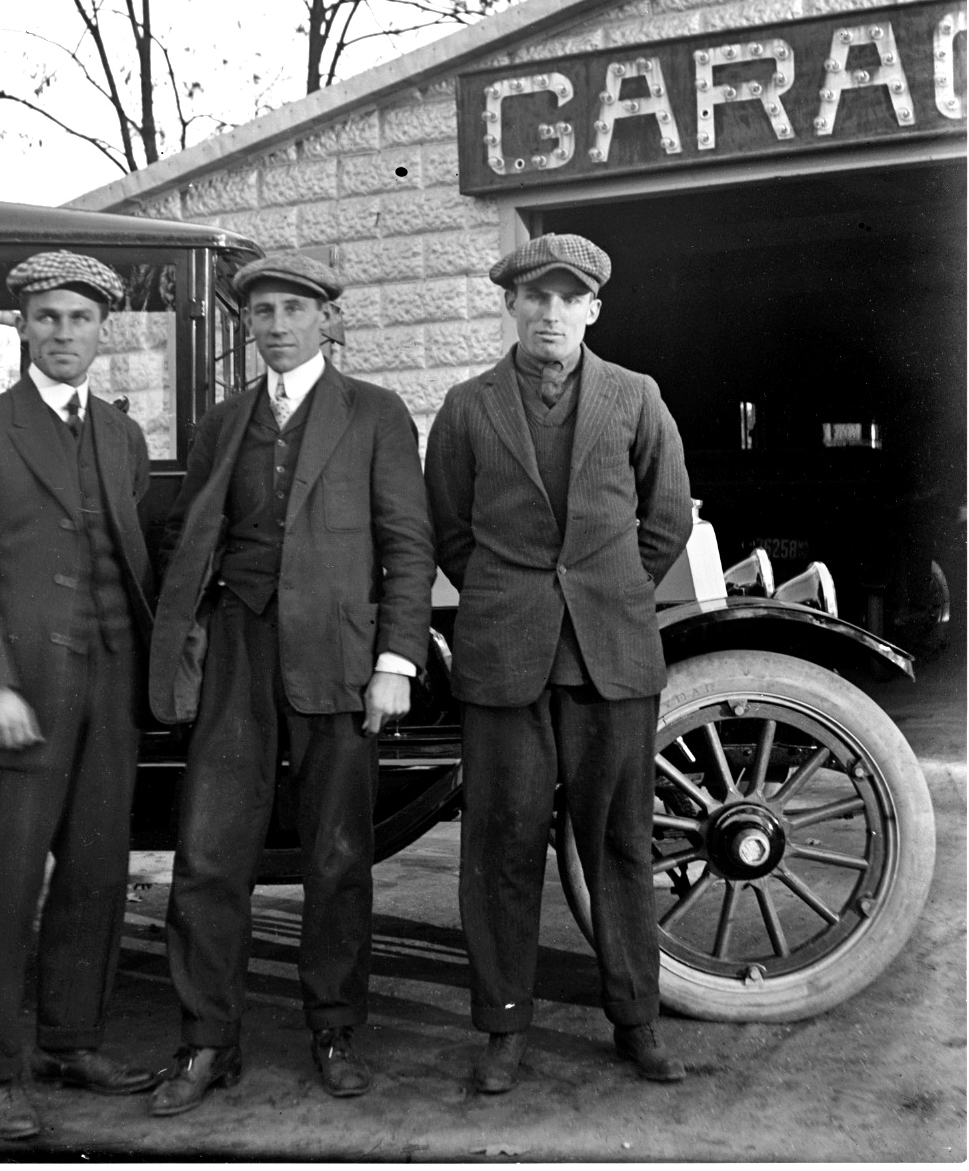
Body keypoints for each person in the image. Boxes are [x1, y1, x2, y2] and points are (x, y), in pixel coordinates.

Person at [147, 253, 434, 1115]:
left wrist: (395, 662)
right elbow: (189, 538)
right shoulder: (225, 422)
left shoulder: (376, 414)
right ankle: (207, 1042)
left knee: (338, 855)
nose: (273, 325)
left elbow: (408, 549)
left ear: (325, 321)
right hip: (237, 647)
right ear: (246, 325)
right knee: (206, 852)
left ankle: (336, 1029)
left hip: (339, 660)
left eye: (291, 310)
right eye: (259, 312)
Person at [424, 232, 692, 1094]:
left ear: (592, 310)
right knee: (499, 846)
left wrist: (603, 591)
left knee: (619, 843)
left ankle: (636, 1020)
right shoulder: (467, 407)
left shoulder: (637, 396)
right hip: (507, 660)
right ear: (511, 305)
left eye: (566, 298)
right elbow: (451, 533)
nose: (550, 312)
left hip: (611, 657)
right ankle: (503, 1027)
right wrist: (517, 601)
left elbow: (668, 518)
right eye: (534, 296)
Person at [0, 251, 157, 1140]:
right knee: (9, 889)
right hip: (21, 698)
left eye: (80, 319)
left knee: (97, 876)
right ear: (22, 325)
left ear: (103, 331)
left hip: (110, 694)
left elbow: (130, 565)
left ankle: (70, 1041)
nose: (64, 333)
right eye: (48, 317)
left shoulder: (122, 437)